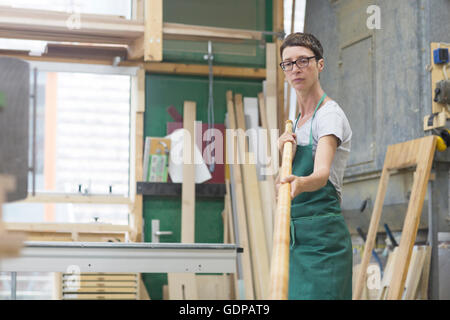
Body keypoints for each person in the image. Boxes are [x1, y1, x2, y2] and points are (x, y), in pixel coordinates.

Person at [276, 33, 353, 300]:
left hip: (323, 243)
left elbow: (320, 175)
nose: (295, 69)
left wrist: (297, 182)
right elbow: (283, 184)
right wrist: (283, 158)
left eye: (303, 61)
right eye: (288, 63)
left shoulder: (328, 115)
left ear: (320, 65)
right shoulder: (296, 123)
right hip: (296, 240)